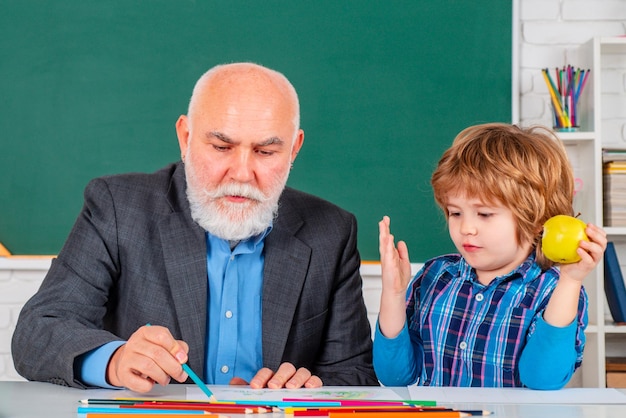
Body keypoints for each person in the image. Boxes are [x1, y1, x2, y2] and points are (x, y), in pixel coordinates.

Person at [12, 62, 378, 392]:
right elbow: (38, 329)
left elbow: (353, 375)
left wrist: (308, 388)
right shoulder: (117, 207)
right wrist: (115, 360)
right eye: (221, 147)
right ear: (185, 138)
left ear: (294, 150)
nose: (241, 174)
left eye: (266, 152)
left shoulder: (332, 230)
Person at [373, 123, 607, 389]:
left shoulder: (555, 290)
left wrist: (571, 281)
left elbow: (542, 380)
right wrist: (393, 294)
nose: (466, 228)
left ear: (535, 218)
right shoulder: (434, 277)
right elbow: (394, 376)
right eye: (455, 213)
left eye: (484, 214)